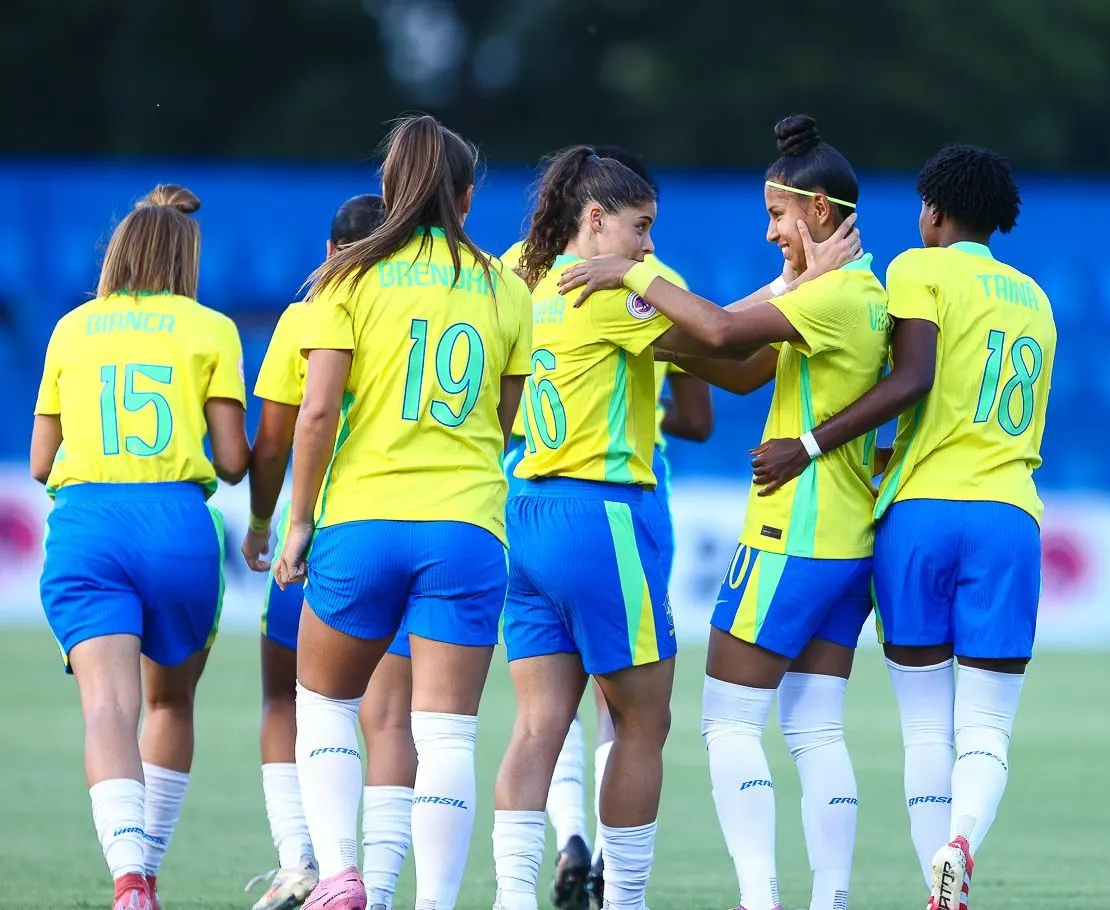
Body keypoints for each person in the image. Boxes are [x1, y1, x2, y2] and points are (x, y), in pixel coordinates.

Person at [556, 114, 882, 910]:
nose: (770, 232)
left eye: (778, 215)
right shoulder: (862, 294)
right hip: (848, 543)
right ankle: (828, 900)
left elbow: (729, 333)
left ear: (818, 212)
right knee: (815, 731)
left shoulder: (830, 294)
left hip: (789, 535)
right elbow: (740, 371)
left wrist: (632, 278)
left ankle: (759, 899)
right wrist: (650, 338)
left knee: (729, 724)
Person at [756, 144, 1054, 910]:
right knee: (986, 729)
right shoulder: (1035, 300)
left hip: (919, 517)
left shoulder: (918, 269)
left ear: (934, 211)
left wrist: (815, 441)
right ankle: (960, 849)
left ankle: (937, 881)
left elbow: (912, 378)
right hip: (1008, 518)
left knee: (927, 728)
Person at [271, 114, 530, 910]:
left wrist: (300, 519)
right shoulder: (507, 287)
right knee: (447, 732)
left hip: (363, 520)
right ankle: (433, 903)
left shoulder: (346, 278)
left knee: (324, 705)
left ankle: (341, 876)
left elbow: (315, 414)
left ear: (388, 190)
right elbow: (506, 417)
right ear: (466, 196)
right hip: (467, 527)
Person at [499, 144, 712, 910]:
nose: (649, 243)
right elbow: (722, 356)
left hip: (522, 507)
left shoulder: (513, 271)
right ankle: (624, 901)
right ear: (595, 219)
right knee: (639, 720)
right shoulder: (631, 289)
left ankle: (513, 898)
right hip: (608, 512)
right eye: (641, 225)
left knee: (535, 724)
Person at [33, 184, 250, 910]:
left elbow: (39, 461)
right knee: (170, 706)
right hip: (178, 525)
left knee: (107, 711)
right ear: (187, 255)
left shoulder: (71, 328)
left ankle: (127, 884)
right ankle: (149, 870)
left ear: (117, 251)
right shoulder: (212, 328)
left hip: (88, 524)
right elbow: (229, 461)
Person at [239, 194, 416, 910]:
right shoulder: (419, 305)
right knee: (393, 718)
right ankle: (380, 881)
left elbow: (278, 437)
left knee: (288, 697)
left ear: (327, 251)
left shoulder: (312, 312)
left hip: (325, 536)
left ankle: (301, 863)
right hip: (423, 526)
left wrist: (263, 523)